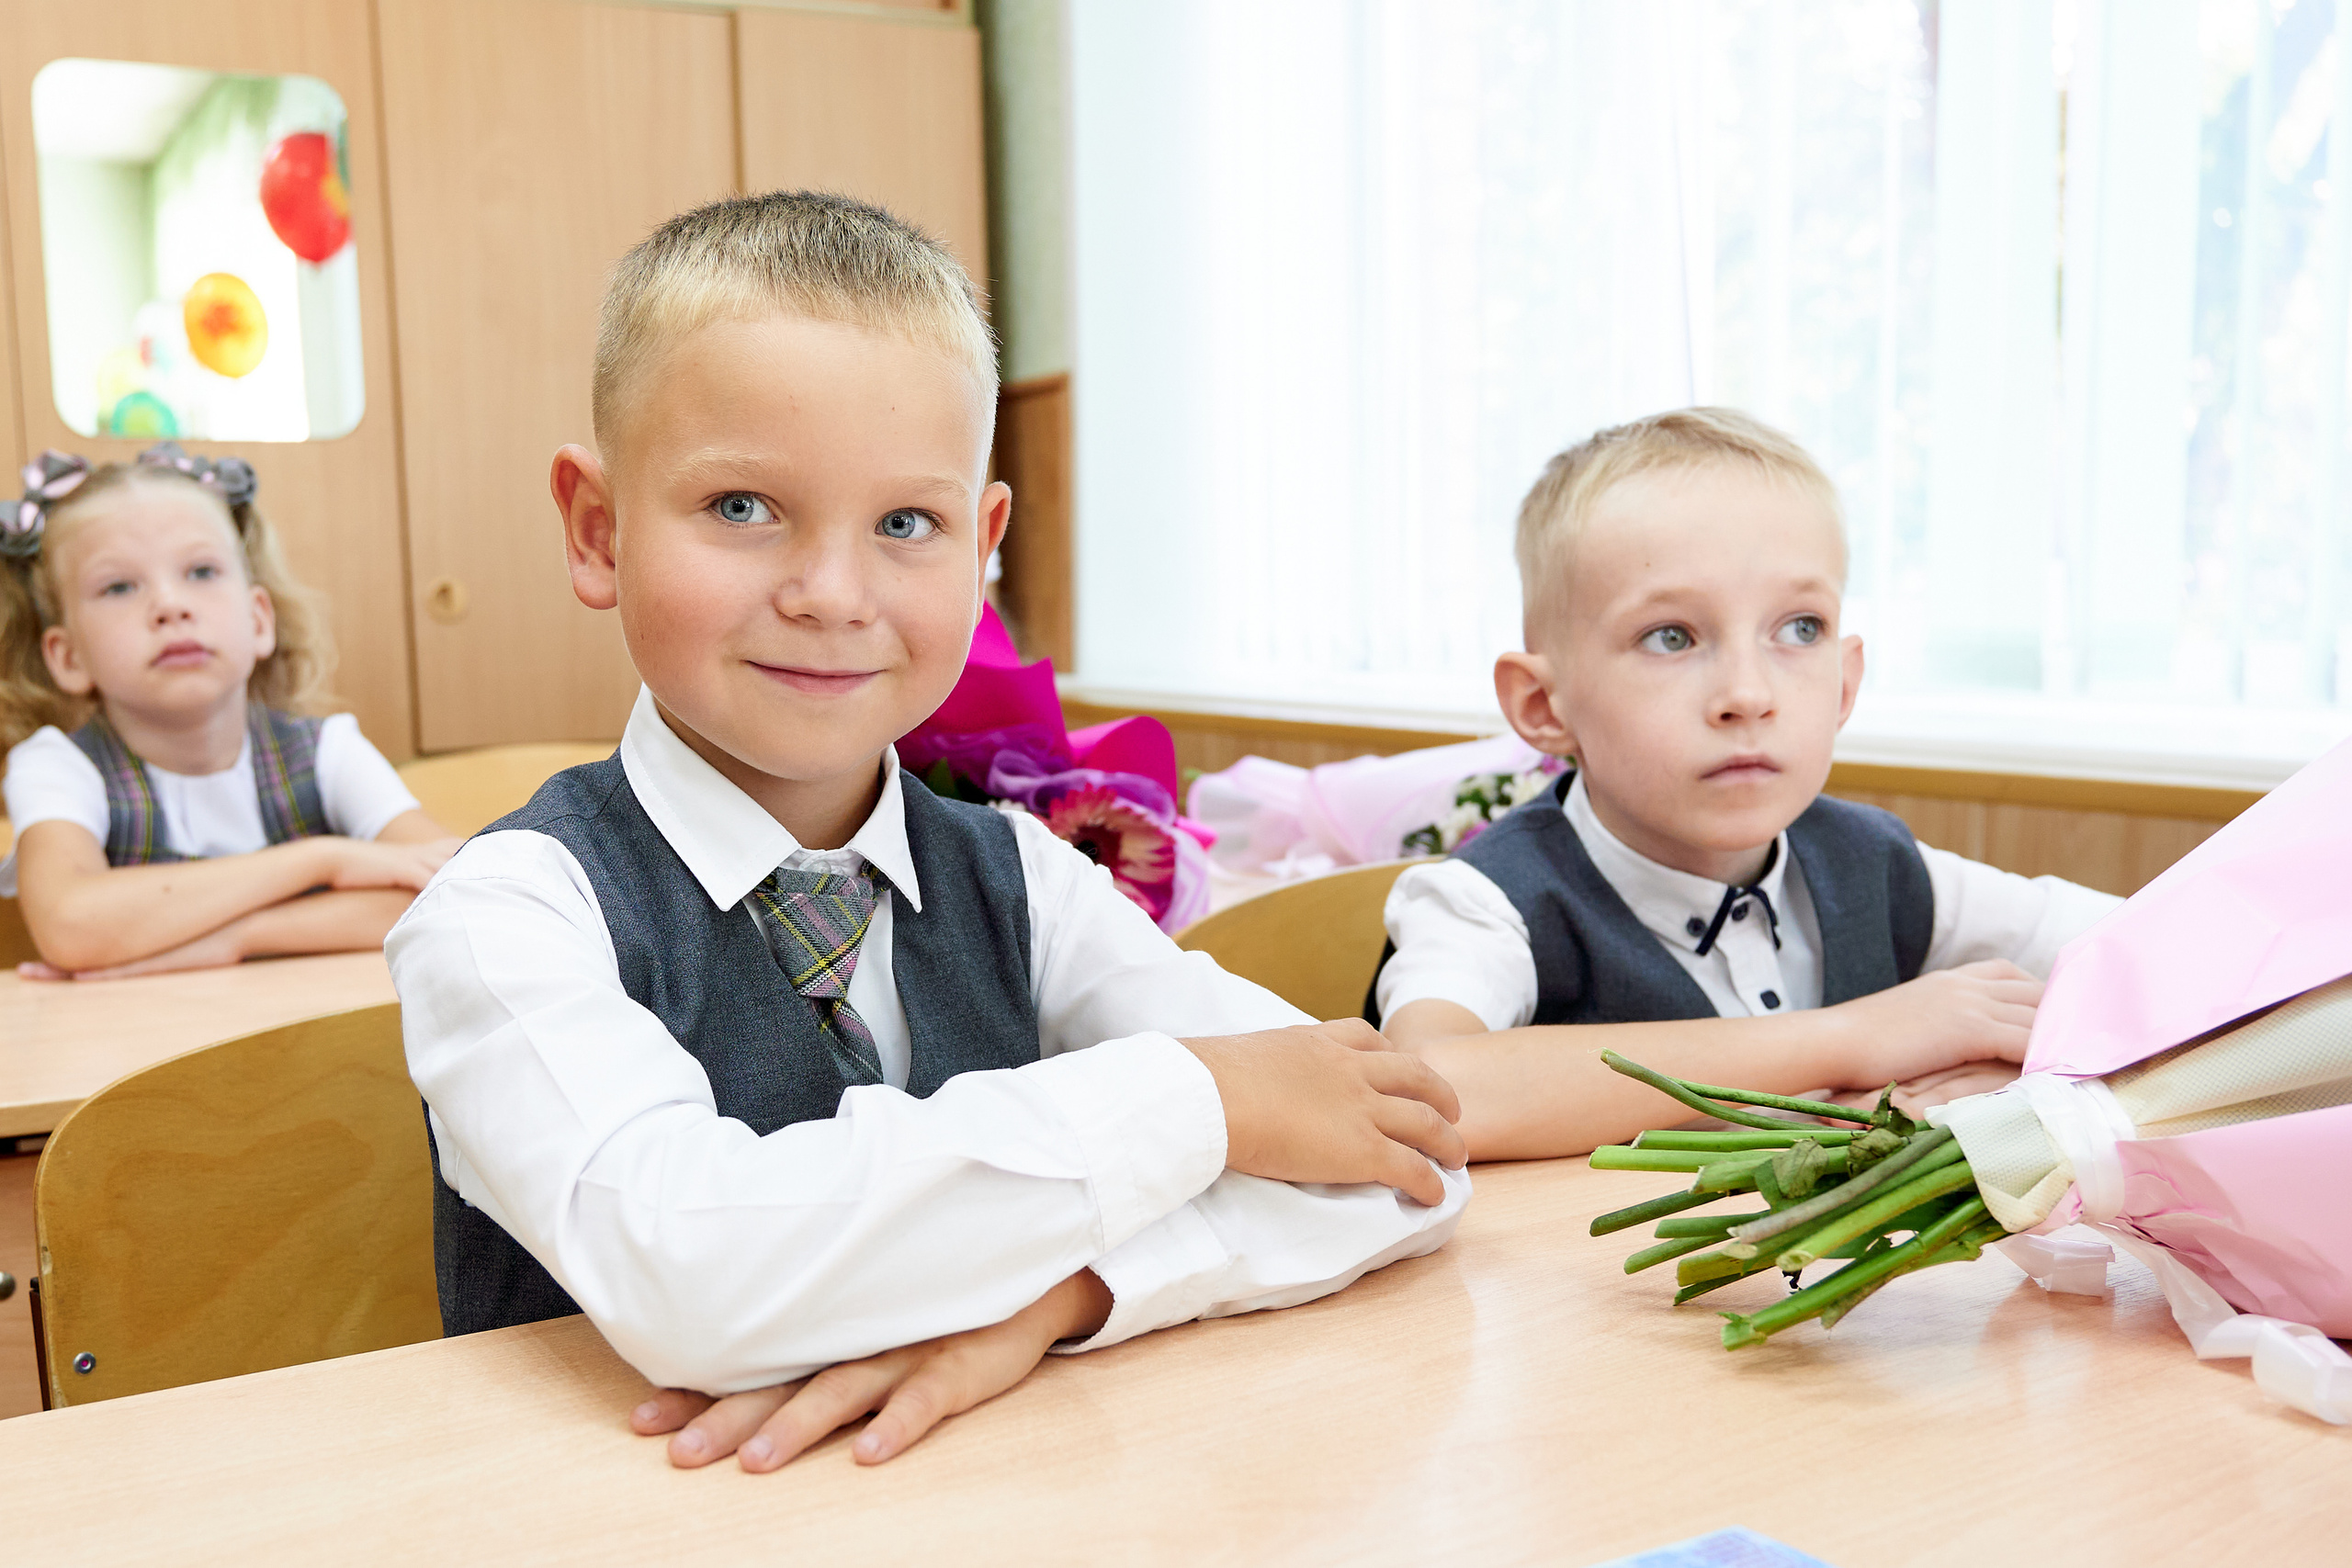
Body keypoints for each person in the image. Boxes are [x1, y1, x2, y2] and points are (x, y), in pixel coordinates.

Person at [387, 191, 1471, 1476]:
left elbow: (1404, 1159)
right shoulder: (510, 913)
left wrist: (1053, 1303)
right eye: (741, 506)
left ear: (984, 542)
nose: (832, 595)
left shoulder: (1020, 875)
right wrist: (1204, 1098)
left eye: (907, 523)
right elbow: (697, 1272)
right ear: (597, 528)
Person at [1374, 408, 2120, 1159]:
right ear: (1544, 706)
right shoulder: (1484, 902)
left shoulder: (1877, 862)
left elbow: (2153, 948)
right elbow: (1427, 1088)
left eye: (1799, 628)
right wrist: (1855, 1039)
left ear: (1843, 686)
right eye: (1671, 635)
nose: (1749, 693)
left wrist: (2007, 1063)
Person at [0, 443, 453, 979]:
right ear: (68, 656)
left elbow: (459, 887)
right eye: (119, 586)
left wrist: (240, 937)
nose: (170, 606)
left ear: (260, 620)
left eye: (202, 571)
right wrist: (324, 860)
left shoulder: (328, 750)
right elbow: (72, 925)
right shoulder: (56, 766)